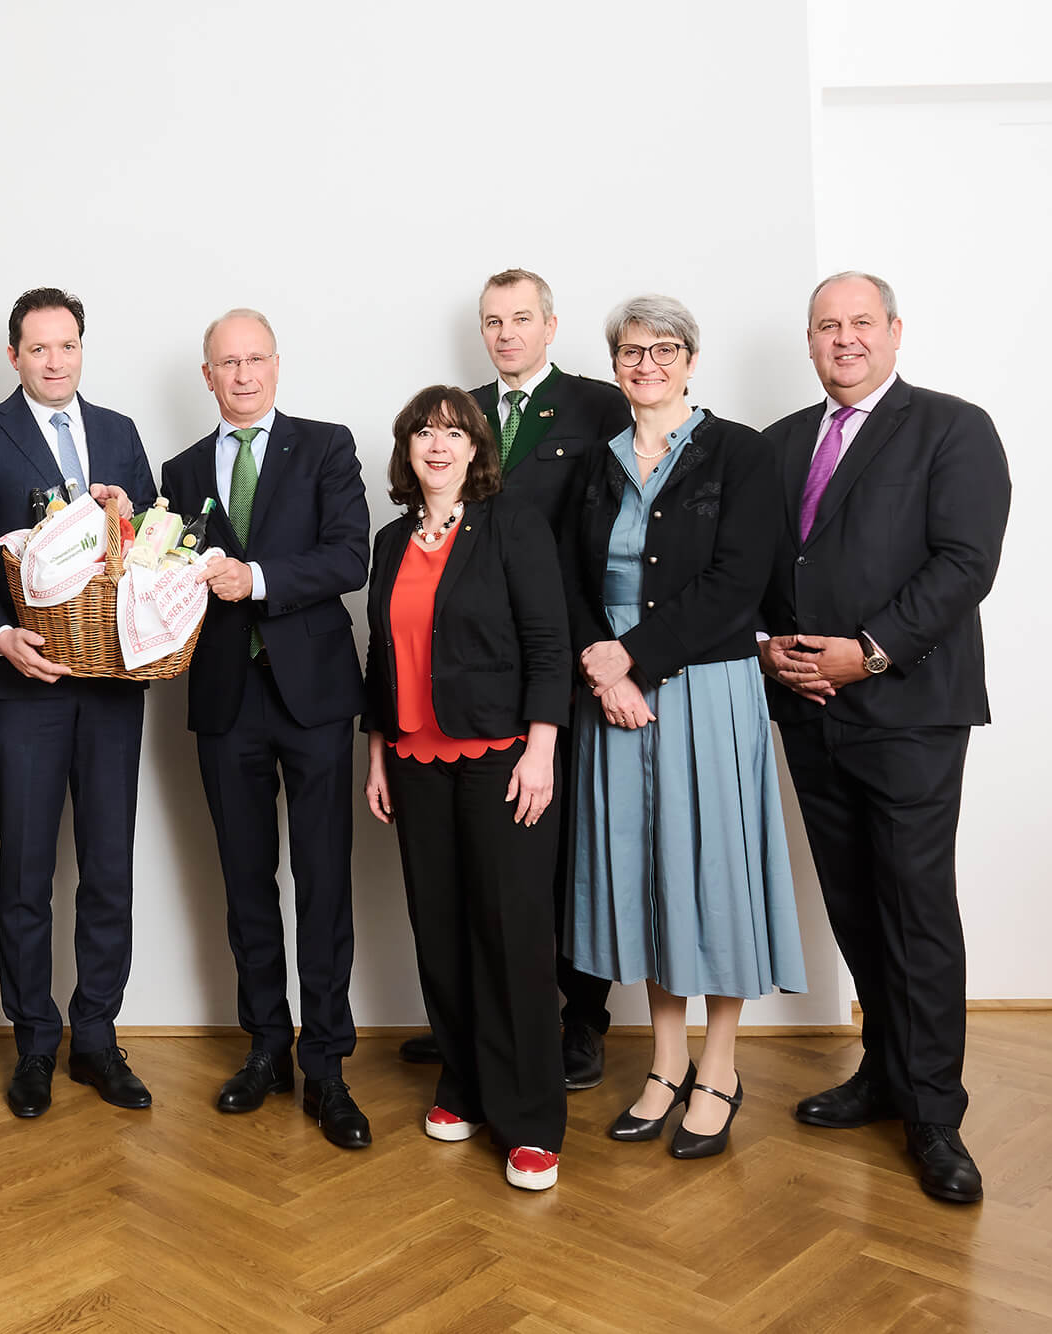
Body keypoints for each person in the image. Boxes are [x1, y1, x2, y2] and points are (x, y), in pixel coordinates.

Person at [760, 272, 1009, 1204]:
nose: (844, 338)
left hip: (907, 710)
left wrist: (869, 653)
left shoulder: (953, 427)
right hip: (810, 711)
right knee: (855, 901)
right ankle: (885, 1072)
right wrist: (766, 649)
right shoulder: (784, 444)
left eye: (861, 322)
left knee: (915, 908)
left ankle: (936, 1114)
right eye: (828, 326)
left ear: (895, 332)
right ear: (811, 340)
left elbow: (965, 563)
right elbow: (761, 565)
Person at [560, 295, 804, 1160]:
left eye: (665, 349)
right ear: (616, 363)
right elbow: (570, 575)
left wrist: (634, 661)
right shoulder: (597, 461)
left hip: (706, 686)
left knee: (713, 875)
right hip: (614, 693)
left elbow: (741, 582)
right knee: (652, 876)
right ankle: (664, 1065)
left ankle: (720, 1070)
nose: (647, 363)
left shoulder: (742, 451)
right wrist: (600, 658)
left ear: (692, 360)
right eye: (631, 351)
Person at [401, 268, 630, 1090]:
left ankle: (578, 1020)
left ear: (551, 325)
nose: (506, 334)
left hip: (573, 650)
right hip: (482, 664)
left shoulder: (597, 406)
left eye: (521, 319)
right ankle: (484, 1019)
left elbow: (616, 525)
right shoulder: (458, 414)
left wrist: (616, 653)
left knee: (563, 848)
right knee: (484, 855)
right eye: (493, 321)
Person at [160, 309, 373, 1148]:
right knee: (246, 885)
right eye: (226, 364)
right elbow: (164, 571)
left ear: (276, 366)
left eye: (255, 360)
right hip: (224, 700)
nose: (242, 375)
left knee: (324, 884)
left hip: (314, 697)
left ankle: (327, 1065)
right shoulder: (179, 470)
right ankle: (264, 1050)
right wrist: (120, 527)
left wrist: (255, 578)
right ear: (206, 376)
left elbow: (347, 555)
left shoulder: (325, 446)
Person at [0, 287, 157, 1118]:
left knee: (109, 869)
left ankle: (97, 1038)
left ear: (81, 348)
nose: (55, 361)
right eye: (38, 349)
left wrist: (127, 523)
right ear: (14, 357)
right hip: (22, 688)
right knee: (27, 872)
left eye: (67, 345)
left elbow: (151, 550)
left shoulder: (120, 433)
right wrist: (0, 638)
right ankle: (34, 1041)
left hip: (111, 685)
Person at [361, 385, 572, 1191]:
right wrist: (378, 753)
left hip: (500, 757)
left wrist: (541, 750)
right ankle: (466, 1085)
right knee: (441, 933)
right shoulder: (390, 541)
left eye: (454, 433)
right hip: (414, 761)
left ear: (477, 448)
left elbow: (549, 645)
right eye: (423, 433)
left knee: (512, 938)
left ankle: (530, 1121)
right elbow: (381, 657)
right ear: (407, 451)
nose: (438, 446)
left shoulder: (512, 526)